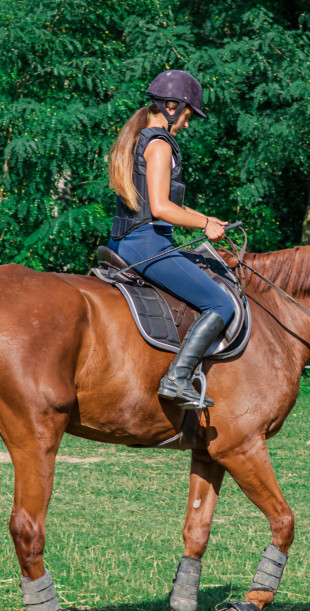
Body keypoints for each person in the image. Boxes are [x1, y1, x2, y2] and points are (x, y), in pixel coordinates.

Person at [108, 70, 235, 409]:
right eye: (188, 116)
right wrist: (204, 223)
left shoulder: (140, 138)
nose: (188, 124)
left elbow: (164, 203)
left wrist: (206, 219)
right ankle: (177, 379)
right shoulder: (160, 145)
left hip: (126, 240)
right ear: (172, 107)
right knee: (222, 303)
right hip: (147, 242)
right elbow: (162, 209)